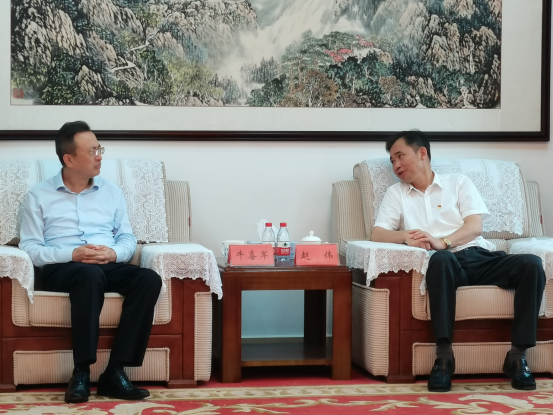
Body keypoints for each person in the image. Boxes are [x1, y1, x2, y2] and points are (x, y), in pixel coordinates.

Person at [372, 130, 545, 392]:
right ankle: (444, 358)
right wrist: (406, 236)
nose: (396, 165)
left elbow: (474, 226)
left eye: (400, 156)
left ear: (422, 153)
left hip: (478, 256)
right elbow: (378, 234)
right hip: (444, 266)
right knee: (441, 260)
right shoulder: (397, 193)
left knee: (531, 264)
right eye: (392, 160)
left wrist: (443, 241)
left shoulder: (458, 182)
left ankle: (517, 356)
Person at [19, 121, 162, 403]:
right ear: (69, 159)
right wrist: (72, 254)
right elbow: (30, 248)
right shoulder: (38, 196)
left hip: (106, 264)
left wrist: (113, 254)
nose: (99, 156)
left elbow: (127, 238)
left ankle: (115, 372)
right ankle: (82, 371)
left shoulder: (112, 192)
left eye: (100, 149)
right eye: (92, 151)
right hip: (64, 269)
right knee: (88, 275)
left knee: (148, 279)